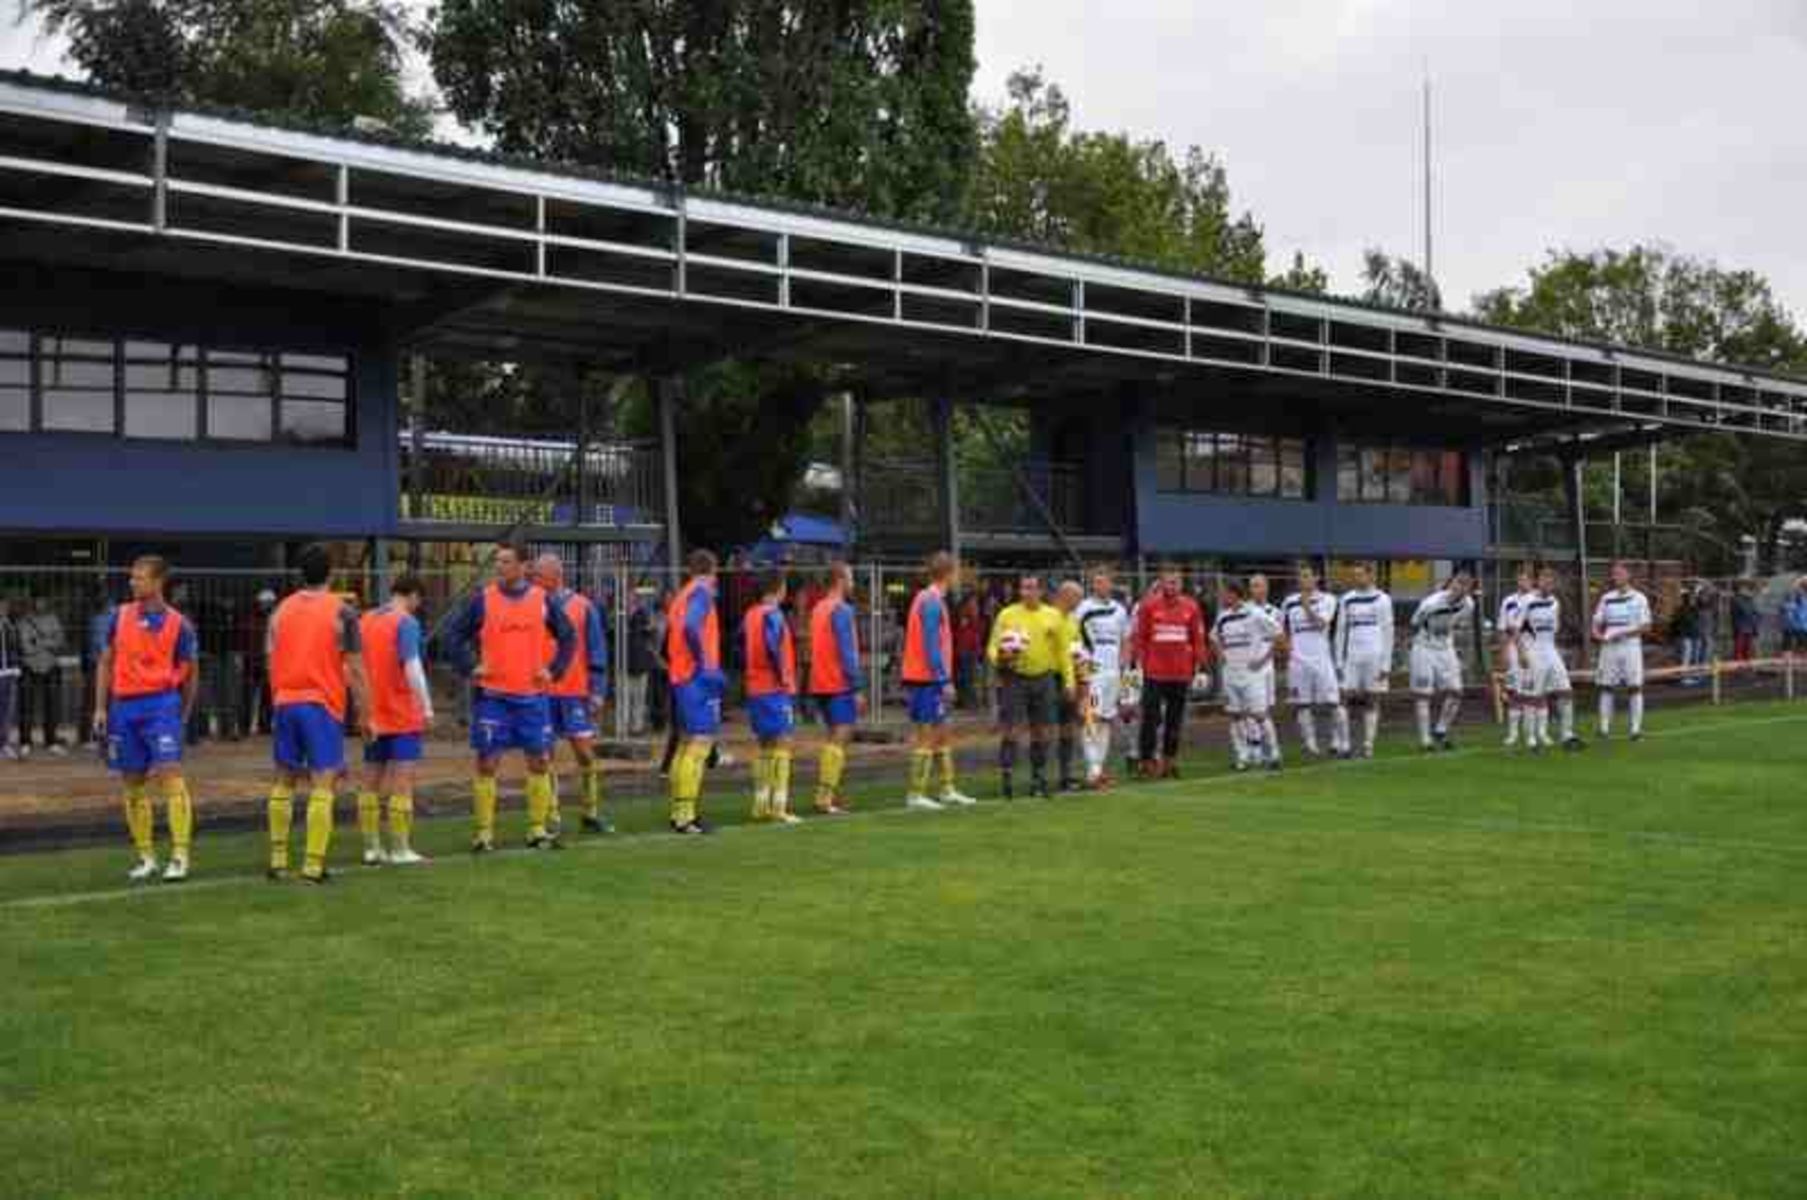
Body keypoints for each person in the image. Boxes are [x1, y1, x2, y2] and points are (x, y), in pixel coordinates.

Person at [446, 543, 576, 852]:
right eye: (497, 561)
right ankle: (483, 833)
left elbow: (568, 636)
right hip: (494, 697)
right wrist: (469, 667)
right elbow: (452, 635)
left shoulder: (541, 600)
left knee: (540, 761)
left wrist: (554, 670)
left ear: (523, 567)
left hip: (532, 696)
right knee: (487, 763)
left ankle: (537, 829)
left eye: (506, 561)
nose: (499, 567)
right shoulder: (484, 599)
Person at [266, 545, 373, 883]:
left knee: (284, 780)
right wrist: (366, 715)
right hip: (321, 704)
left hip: (285, 700)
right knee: (322, 781)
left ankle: (278, 859)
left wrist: (278, 698)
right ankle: (313, 864)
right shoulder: (342, 612)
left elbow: (270, 660)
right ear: (331, 573)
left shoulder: (280, 611)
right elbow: (356, 670)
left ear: (300, 573)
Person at [91, 556, 198, 882]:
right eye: (132, 577)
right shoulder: (118, 617)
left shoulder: (181, 624)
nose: (133, 583)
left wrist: (184, 714)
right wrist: (100, 708)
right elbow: (105, 663)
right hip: (124, 707)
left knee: (171, 777)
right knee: (132, 783)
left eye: (139, 578)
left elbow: (192, 673)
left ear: (158, 582)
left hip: (161, 705)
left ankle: (180, 855)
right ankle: (147, 856)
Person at [356, 576, 435, 867]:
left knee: (370, 781)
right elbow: (412, 666)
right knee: (402, 782)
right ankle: (400, 848)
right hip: (401, 712)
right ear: (413, 596)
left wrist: (361, 708)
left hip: (374, 714)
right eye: (419, 601)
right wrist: (426, 708)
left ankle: (371, 848)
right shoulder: (406, 622)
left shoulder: (366, 620)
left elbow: (353, 665)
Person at [536, 554, 612, 835]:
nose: (535, 580)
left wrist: (598, 691)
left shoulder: (583, 606)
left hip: (574, 692)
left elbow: (597, 650)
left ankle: (590, 811)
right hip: (542, 692)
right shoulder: (532, 605)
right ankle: (551, 814)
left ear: (557, 575)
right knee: (544, 755)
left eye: (539, 576)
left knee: (585, 754)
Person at [987, 574, 1075, 799]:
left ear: (1041, 591)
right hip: (1014, 678)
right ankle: (1007, 779)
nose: (1026, 592)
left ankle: (1038, 778)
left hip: (1044, 678)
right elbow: (992, 646)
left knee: (1041, 731)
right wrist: (1001, 658)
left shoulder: (1053, 616)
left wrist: (1069, 681)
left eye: (1031, 588)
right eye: (1023, 588)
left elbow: (1064, 652)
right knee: (1011, 729)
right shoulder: (1007, 614)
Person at [900, 551, 974, 810]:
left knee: (942, 733)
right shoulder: (931, 601)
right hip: (925, 678)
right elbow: (931, 644)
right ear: (949, 574)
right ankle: (916, 794)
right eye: (957, 573)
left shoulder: (930, 599)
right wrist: (943, 679)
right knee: (926, 735)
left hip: (926, 677)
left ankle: (946, 789)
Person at [665, 549, 725, 835]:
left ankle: (679, 809)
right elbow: (691, 626)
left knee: (686, 742)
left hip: (680, 675)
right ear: (712, 571)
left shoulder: (682, 594)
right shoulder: (702, 592)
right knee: (700, 742)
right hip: (696, 678)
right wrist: (704, 664)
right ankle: (686, 816)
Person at [1130, 565, 1206, 778]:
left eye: (1176, 582)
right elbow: (1140, 639)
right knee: (1150, 719)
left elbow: (1198, 639)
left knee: (1175, 720)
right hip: (1154, 673)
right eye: (1168, 581)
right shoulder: (1148, 606)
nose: (1172, 585)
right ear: (1161, 583)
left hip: (1181, 674)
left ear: (1181, 584)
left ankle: (1169, 762)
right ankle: (1146, 762)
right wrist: (1139, 665)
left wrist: (1201, 668)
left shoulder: (1191, 606)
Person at [743, 572, 801, 825]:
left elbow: (739, 646)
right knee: (783, 743)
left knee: (765, 745)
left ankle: (760, 804)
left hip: (754, 687)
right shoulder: (773, 615)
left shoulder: (750, 614)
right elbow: (771, 647)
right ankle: (779, 806)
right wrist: (782, 677)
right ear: (779, 588)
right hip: (773, 688)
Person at [806, 562, 863, 815]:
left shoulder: (818, 608)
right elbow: (847, 651)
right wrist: (857, 687)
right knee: (839, 738)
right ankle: (825, 797)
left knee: (833, 738)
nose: (852, 583)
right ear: (840, 580)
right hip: (837, 682)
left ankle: (832, 794)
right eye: (850, 578)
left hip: (820, 681)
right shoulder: (842, 609)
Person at [1212, 578, 1282, 772]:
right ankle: (1242, 756)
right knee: (1235, 715)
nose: (1222, 596)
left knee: (1259, 714)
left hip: (1252, 674)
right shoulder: (1222, 616)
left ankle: (1274, 753)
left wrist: (1263, 659)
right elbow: (1214, 638)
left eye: (1225, 592)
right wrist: (1222, 656)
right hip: (1231, 673)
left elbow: (1279, 634)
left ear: (1234, 594)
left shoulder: (1254, 613)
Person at [1073, 567, 1131, 789]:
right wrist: (1083, 677)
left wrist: (1125, 668)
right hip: (1093, 672)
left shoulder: (1119, 610)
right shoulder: (1083, 609)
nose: (1100, 586)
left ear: (1111, 584)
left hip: (1113, 673)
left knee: (1106, 719)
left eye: (1104, 582)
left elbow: (1126, 640)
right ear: (1092, 585)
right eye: (1096, 582)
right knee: (1090, 717)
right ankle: (1093, 769)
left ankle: (1099, 768)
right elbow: (1076, 643)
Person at [1281, 566, 1347, 758]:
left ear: (1316, 578)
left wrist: (1306, 606)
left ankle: (1343, 743)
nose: (1303, 580)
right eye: (1300, 576)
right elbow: (1280, 628)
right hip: (1298, 661)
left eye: (1307, 576)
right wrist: (1286, 647)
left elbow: (1321, 624)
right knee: (1302, 704)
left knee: (1333, 702)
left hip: (1321, 658)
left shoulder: (1328, 599)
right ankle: (1310, 745)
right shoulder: (1289, 602)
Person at [1519, 565, 1585, 753]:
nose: (1548, 582)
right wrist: (1522, 652)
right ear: (1538, 581)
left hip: (1551, 651)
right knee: (1534, 697)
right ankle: (1531, 740)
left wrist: (1555, 650)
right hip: (1534, 652)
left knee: (1566, 691)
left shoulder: (1555, 602)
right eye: (1544, 579)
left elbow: (1554, 628)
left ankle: (1567, 735)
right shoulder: (1527, 601)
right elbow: (1515, 629)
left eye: (1551, 580)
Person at [1408, 570, 1475, 751]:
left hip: (1446, 649)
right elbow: (1414, 623)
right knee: (1423, 694)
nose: (1459, 587)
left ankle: (1441, 729)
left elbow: (1459, 624)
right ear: (1451, 583)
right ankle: (1425, 740)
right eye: (1457, 583)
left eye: (1464, 584)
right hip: (1424, 648)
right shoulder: (1431, 603)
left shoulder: (1469, 604)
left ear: (1469, 589)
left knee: (1456, 692)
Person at [1334, 562, 1395, 759]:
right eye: (1354, 575)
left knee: (1372, 699)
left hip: (1375, 656)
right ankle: (1345, 744)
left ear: (1370, 576)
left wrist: (1386, 664)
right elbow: (1341, 631)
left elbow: (1388, 632)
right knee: (1343, 697)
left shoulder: (1383, 599)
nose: (1357, 579)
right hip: (1352, 656)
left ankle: (1368, 744)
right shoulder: (1347, 599)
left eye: (1360, 575)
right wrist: (1338, 661)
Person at [1592, 561, 1652, 741]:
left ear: (1628, 575)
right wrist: (1597, 634)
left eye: (1619, 573)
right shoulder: (1606, 598)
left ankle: (1635, 730)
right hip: (1609, 647)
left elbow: (1646, 626)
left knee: (1634, 687)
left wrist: (1623, 633)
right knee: (1606, 687)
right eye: (1614, 574)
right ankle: (1603, 729)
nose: (1615, 577)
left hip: (1630, 647)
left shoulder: (1639, 598)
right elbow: (1596, 621)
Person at [18, 594, 67, 756]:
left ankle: (51, 741)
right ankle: (25, 741)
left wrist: (38, 642)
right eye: (37, 600)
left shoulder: (53, 619)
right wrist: (48, 641)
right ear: (32, 602)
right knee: (26, 706)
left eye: (43, 600)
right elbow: (26, 647)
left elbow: (60, 642)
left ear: (47, 602)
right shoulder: (24, 621)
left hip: (51, 666)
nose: (40, 603)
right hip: (30, 666)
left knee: (52, 705)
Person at [1052, 580, 1087, 791]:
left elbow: (1079, 653)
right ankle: (1043, 776)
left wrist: (1083, 681)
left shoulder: (1074, 621)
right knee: (1045, 728)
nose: (1079, 602)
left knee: (1067, 728)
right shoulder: (1049, 617)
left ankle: (1066, 776)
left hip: (1069, 680)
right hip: (1049, 678)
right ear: (1065, 596)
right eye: (1077, 597)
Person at [1496, 566, 1536, 749]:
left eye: (1526, 579)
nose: (1522, 582)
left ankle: (1531, 734)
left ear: (1532, 581)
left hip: (1532, 649)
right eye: (1519, 579)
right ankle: (1512, 734)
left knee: (1530, 691)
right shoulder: (1508, 600)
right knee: (1513, 692)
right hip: (1512, 649)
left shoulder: (1536, 599)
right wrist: (1503, 651)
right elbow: (1503, 628)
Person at [1246, 574, 1284, 764]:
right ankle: (1257, 749)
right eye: (1253, 586)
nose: (1257, 590)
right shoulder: (1245, 611)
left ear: (1267, 588)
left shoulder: (1275, 612)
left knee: (1267, 708)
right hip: (1251, 667)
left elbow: (1279, 639)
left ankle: (1270, 749)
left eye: (1260, 586)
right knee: (1254, 710)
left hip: (1267, 666)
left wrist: (1265, 659)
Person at [623, 594, 656, 736]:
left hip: (639, 663)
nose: (628, 603)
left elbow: (651, 635)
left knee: (638, 698)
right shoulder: (620, 616)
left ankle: (636, 727)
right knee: (626, 697)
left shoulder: (643, 616)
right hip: (625, 663)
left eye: (630, 600)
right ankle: (625, 727)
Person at [0, 598, 18, 760]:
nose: (4, 608)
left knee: (7, 711)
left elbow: (14, 647)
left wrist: (15, 667)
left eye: (6, 605)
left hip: (10, 671)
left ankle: (4, 744)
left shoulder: (10, 624)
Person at [1730, 580, 1760, 663]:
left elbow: (1756, 612)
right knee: (1739, 650)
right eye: (1744, 589)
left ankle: (1746, 669)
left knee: (1748, 650)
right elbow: (1745, 611)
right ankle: (1738, 669)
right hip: (1741, 627)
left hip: (1750, 627)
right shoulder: (1736, 599)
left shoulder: (1749, 600)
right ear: (1740, 590)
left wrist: (1755, 627)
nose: (1747, 591)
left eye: (1747, 589)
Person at [1784, 577, 1807, 655]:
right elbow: (1790, 609)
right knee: (1797, 645)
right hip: (1797, 625)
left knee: (1801, 645)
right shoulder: (1795, 597)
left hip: (1802, 625)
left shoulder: (1803, 597)